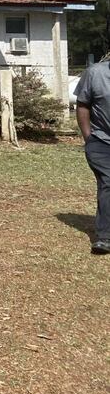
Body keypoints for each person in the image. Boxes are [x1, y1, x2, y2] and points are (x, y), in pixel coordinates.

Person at [75, 61, 110, 254]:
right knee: (109, 181)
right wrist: (89, 138)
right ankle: (105, 236)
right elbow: (82, 105)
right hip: (102, 141)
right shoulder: (95, 73)